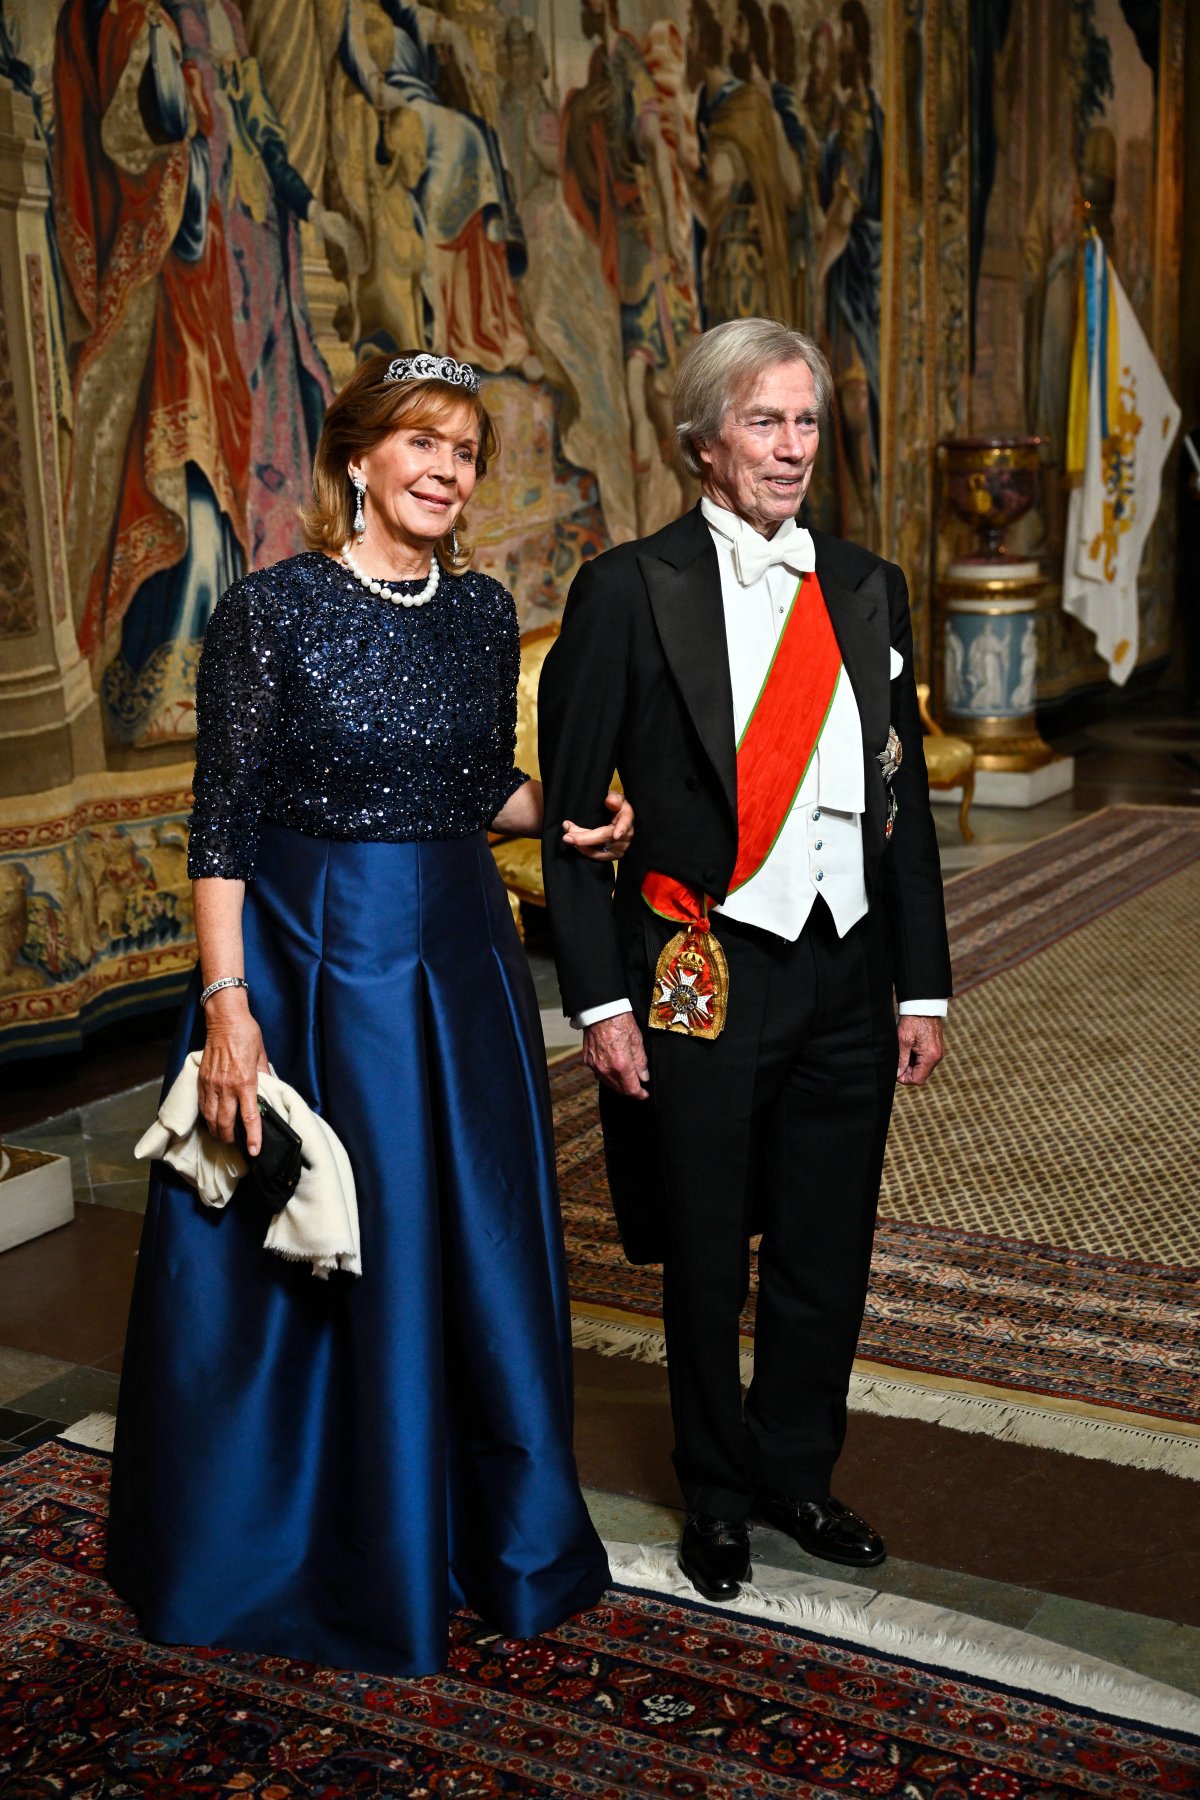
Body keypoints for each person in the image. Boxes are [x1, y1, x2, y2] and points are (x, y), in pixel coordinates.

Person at [107, 350, 626, 1676]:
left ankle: (485, 1536)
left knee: (475, 1245)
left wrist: (571, 815)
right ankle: (308, 1549)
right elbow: (218, 827)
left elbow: (470, 786)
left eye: (464, 450)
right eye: (422, 444)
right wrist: (230, 1012)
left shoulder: (479, 611)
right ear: (359, 459)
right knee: (322, 1254)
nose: (447, 469)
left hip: (459, 971)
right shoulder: (273, 611)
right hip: (307, 965)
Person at [539, 318, 951, 1603]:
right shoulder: (624, 590)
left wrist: (921, 980)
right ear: (705, 442)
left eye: (807, 422)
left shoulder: (865, 586)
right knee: (710, 1245)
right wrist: (600, 996)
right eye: (765, 422)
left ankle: (796, 1473)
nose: (791, 447)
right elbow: (571, 818)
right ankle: (715, 1493)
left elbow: (908, 808)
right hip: (701, 969)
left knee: (828, 1240)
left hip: (846, 970)